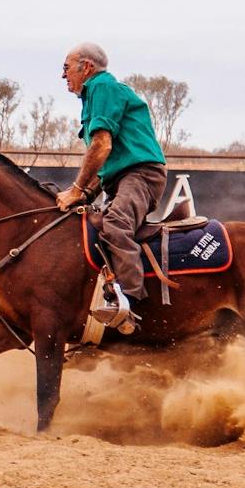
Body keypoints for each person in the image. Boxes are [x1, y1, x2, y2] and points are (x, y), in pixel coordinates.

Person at [54, 43, 168, 328]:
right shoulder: (94, 96)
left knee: (116, 223)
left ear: (87, 67)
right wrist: (85, 193)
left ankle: (130, 305)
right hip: (121, 178)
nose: (63, 75)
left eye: (66, 68)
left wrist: (77, 190)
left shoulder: (102, 87)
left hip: (141, 175)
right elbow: (104, 165)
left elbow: (102, 145)